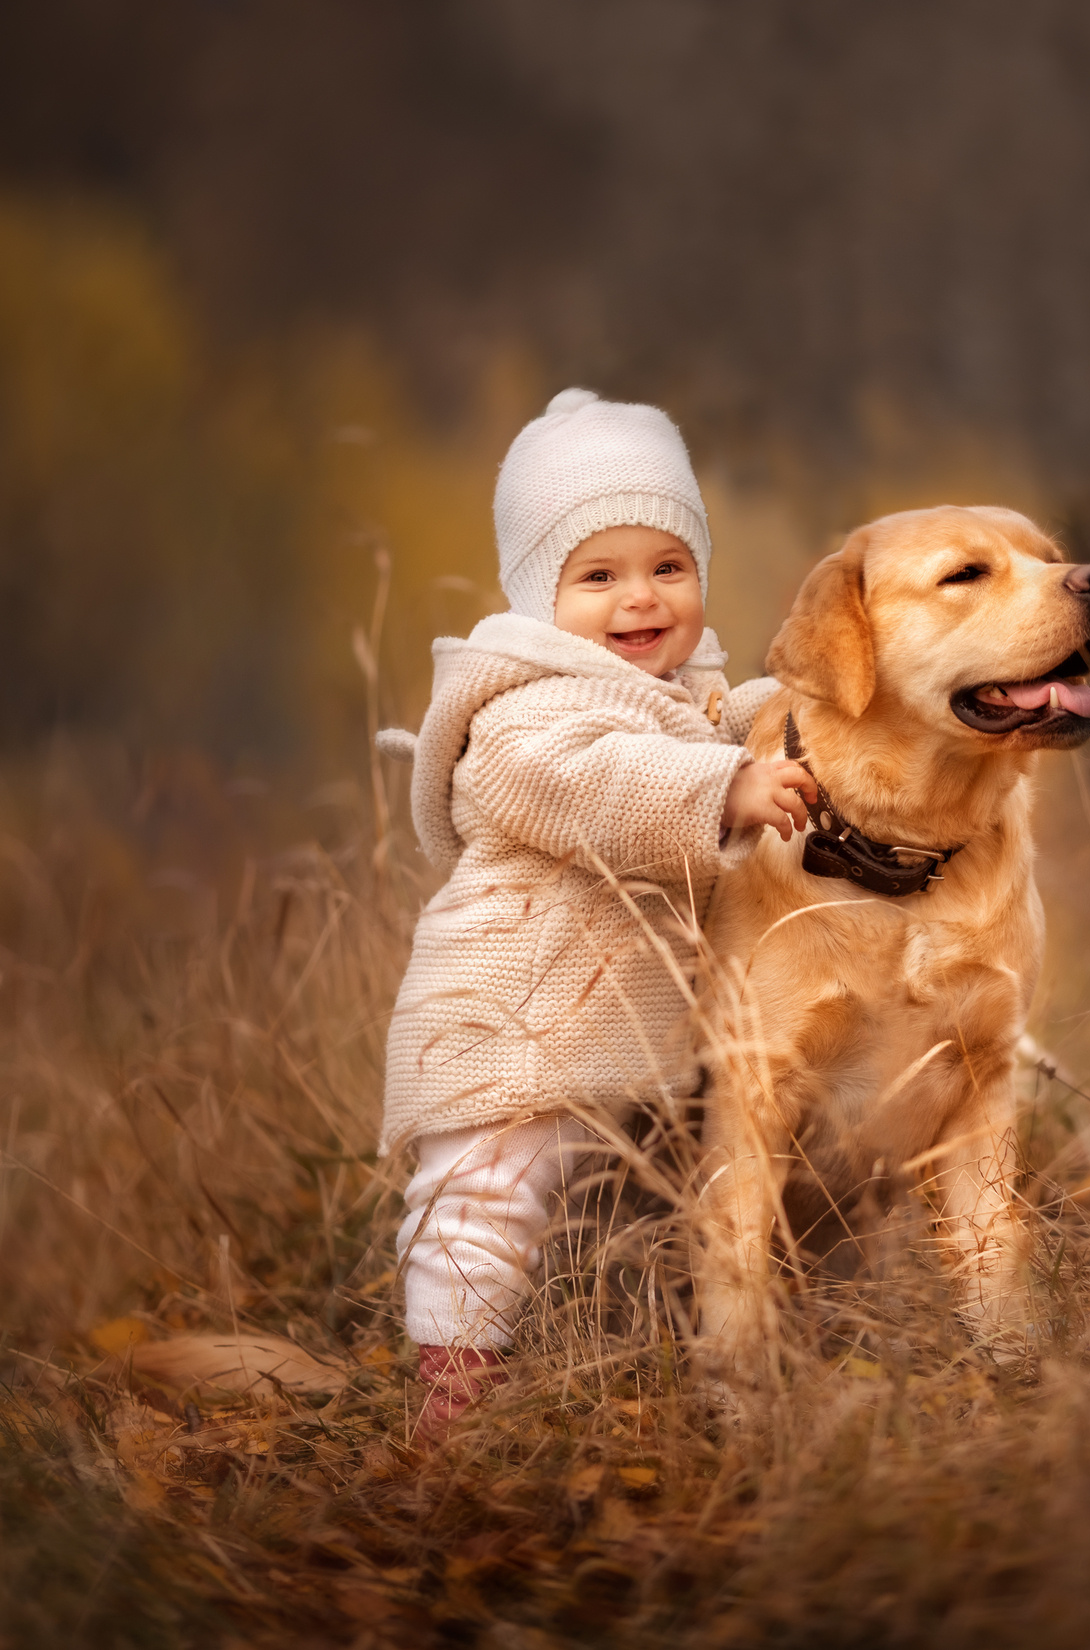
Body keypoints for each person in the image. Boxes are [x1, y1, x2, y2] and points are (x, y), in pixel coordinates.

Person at [373, 388, 814, 1436]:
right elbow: (602, 783)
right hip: (510, 1028)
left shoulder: (680, 695)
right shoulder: (526, 711)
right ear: (538, 598)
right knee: (481, 1205)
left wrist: (801, 716)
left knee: (627, 1210)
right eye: (598, 575)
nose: (640, 600)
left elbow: (727, 716)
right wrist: (726, 791)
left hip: (615, 1039)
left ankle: (645, 1358)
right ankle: (451, 1399)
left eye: (669, 566)